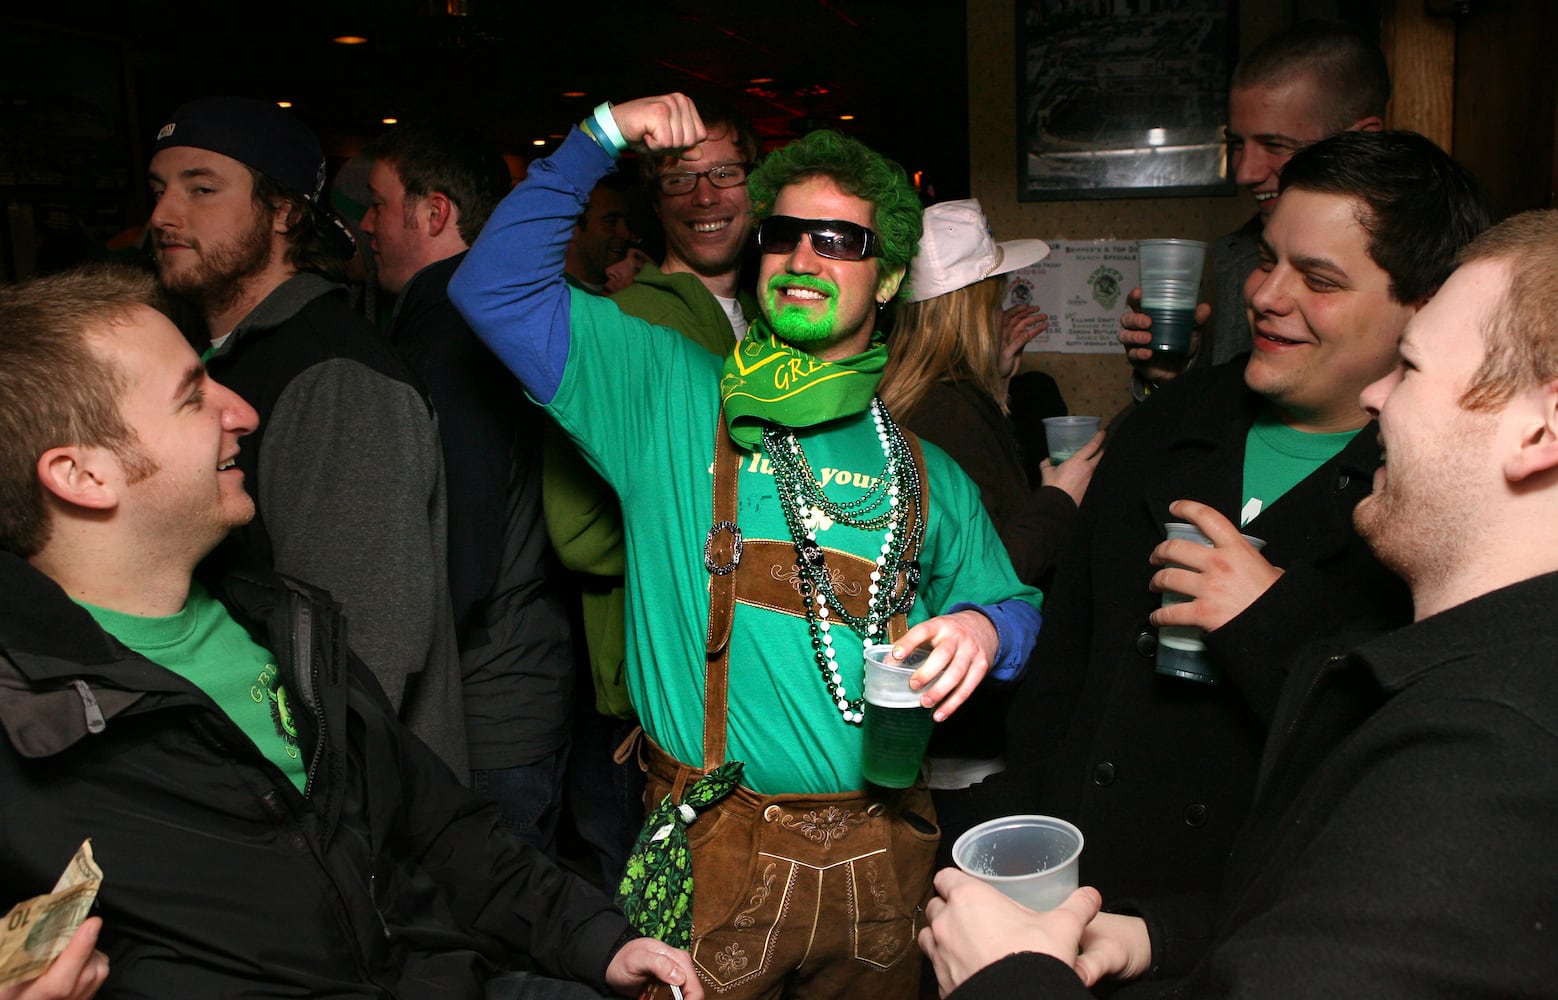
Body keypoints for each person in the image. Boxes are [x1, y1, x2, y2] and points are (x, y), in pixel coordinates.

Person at [450, 94, 1041, 998]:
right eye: (786, 234)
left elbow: (1019, 606)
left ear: (886, 280)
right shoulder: (663, 393)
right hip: (713, 857)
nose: (805, 257)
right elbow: (488, 289)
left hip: (886, 867)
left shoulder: (925, 469)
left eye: (841, 241)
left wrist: (988, 630)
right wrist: (599, 137)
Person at [0, 265, 701, 998]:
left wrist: (596, 941)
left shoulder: (278, 621)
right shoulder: (25, 724)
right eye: (191, 398)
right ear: (81, 476)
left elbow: (439, 831)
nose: (240, 410)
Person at [921, 208, 1558, 999]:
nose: (1376, 398)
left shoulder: (1489, 752)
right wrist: (1164, 933)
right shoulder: (1485, 673)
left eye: (1412, 366)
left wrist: (1007, 979)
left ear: (1542, 428)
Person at [968, 131, 1492, 918]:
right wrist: (1019, 826)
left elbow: (1422, 750)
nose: (1267, 295)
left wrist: (1269, 619)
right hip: (1069, 889)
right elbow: (1064, 665)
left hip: (1250, 924)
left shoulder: (1440, 492)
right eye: (1270, 258)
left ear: (1424, 305)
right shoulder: (1170, 419)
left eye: (1318, 279)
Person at [146, 95, 466, 771]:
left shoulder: (334, 377)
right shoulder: (223, 355)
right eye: (160, 190)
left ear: (286, 210)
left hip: (331, 813)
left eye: (202, 189)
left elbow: (357, 663)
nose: (164, 216)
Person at [543, 100, 763, 887]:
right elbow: (574, 531)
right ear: (654, 198)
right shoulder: (631, 318)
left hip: (751, 695)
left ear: (756, 186)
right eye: (680, 178)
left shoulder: (778, 321)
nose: (705, 197)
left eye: (725, 173)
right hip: (649, 714)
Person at [360, 121, 578, 855]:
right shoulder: (466, 318)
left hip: (488, 709)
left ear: (434, 213)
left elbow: (463, 541)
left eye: (379, 203)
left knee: (502, 942)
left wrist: (385, 680)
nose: (366, 223)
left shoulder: (452, 332)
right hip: (519, 687)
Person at [879, 198, 1102, 863]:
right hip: (963, 728)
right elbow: (985, 571)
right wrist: (1059, 500)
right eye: (994, 291)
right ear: (971, 303)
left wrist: (995, 384)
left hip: (942, 712)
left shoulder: (927, 392)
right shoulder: (948, 408)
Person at [1119, 20, 1390, 392]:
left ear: (1362, 140)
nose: (1245, 172)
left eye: (1276, 146)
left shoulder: (1437, 268)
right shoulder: (1233, 262)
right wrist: (1173, 376)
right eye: (1237, 144)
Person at [564, 179, 635, 293]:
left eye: (628, 223)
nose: (625, 234)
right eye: (611, 221)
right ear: (571, 230)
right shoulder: (553, 297)